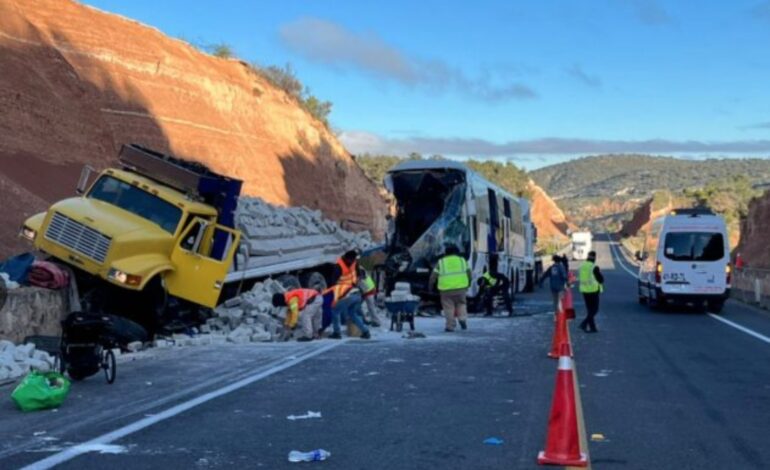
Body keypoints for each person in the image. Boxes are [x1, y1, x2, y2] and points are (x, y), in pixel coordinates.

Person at [325, 250, 371, 340]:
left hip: (348, 294)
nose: (352, 261)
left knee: (335, 311)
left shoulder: (340, 266)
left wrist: (334, 298)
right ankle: (365, 331)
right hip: (357, 293)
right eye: (352, 259)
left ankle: (337, 333)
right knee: (352, 313)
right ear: (347, 258)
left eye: (353, 259)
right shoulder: (344, 265)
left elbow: (333, 282)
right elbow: (359, 276)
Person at [429, 244, 472, 332]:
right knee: (461, 304)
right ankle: (462, 319)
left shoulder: (441, 262)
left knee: (448, 307)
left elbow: (433, 276)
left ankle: (450, 326)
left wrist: (430, 286)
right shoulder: (462, 260)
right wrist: (468, 284)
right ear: (457, 252)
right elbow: (469, 274)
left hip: (445, 289)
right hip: (461, 288)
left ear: (445, 253)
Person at [578, 251, 604, 333]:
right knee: (595, 309)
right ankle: (584, 323)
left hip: (584, 290)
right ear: (594, 258)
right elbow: (601, 279)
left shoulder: (582, 266)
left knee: (590, 310)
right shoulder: (594, 267)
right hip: (593, 290)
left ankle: (593, 327)